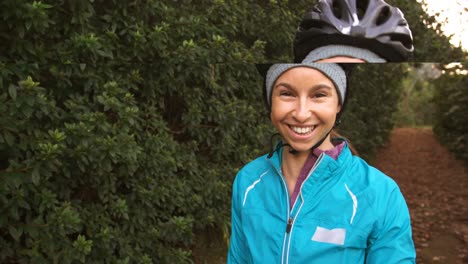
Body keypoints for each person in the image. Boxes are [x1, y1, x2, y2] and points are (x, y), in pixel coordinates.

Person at [227, 0, 416, 263]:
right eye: (287, 94)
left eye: (319, 95)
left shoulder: (381, 194)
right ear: (271, 104)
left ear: (338, 105)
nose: (302, 113)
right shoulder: (248, 181)